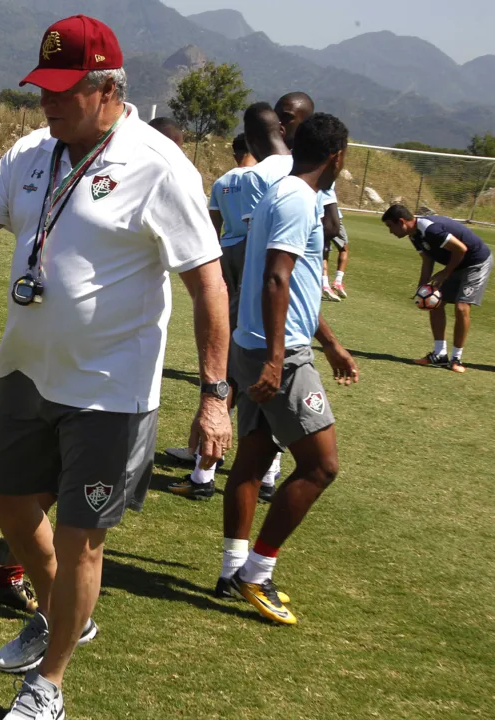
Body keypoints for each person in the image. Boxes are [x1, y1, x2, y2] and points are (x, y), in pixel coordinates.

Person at [0, 16, 231, 719]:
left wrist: (215, 394)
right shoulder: (32, 152)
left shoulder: (160, 165)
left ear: (109, 88)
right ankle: (66, 610)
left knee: (82, 538)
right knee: (1, 499)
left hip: (111, 392)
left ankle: (49, 686)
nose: (48, 104)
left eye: (65, 91)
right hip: (26, 372)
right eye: (42, 89)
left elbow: (208, 282)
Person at [221, 113, 358, 625]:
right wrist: (280, 360)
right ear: (338, 156)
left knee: (254, 459)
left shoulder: (284, 193)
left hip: (256, 345)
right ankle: (256, 572)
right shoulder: (299, 200)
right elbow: (277, 280)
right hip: (277, 354)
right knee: (322, 466)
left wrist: (333, 344)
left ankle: (232, 568)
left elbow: (293, 288)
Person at [168, 104, 290, 503]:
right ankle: (267, 470)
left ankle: (203, 462)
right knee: (260, 365)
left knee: (234, 362)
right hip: (269, 264)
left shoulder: (226, 180)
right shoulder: (287, 176)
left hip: (231, 259)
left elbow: (213, 229)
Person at [382, 204, 492, 373]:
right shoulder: (414, 235)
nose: (390, 231)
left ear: (402, 222)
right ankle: (440, 354)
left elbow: (461, 249)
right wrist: (422, 287)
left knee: (462, 306)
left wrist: (446, 273)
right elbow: (427, 260)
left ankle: (456, 358)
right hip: (455, 263)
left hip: (475, 262)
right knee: (435, 301)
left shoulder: (430, 229)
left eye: (390, 226)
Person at [274, 91, 346, 301]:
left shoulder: (308, 169)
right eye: (276, 114)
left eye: (287, 116)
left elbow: (331, 225)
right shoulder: (272, 164)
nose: (279, 122)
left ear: (307, 123)